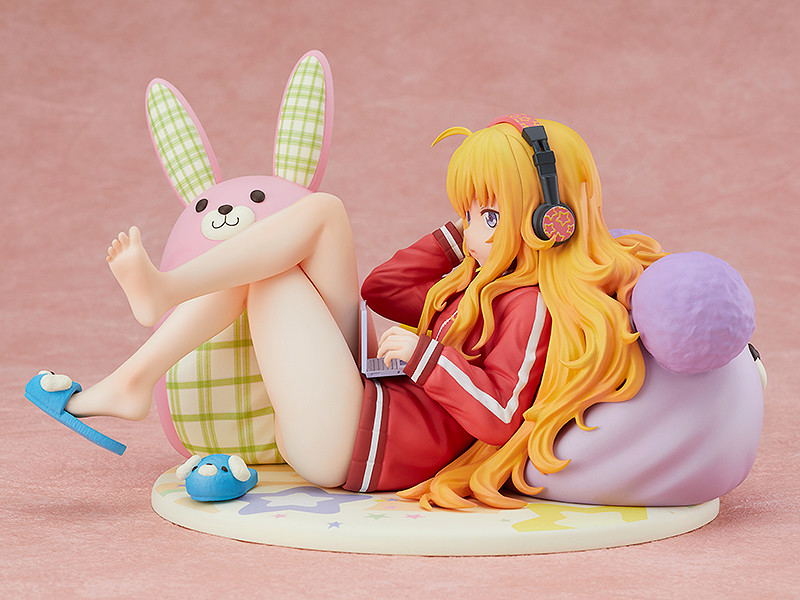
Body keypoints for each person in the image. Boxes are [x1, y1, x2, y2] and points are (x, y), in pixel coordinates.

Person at [32, 117, 666, 509]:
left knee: (277, 273)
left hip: (357, 443)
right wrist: (465, 238)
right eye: (470, 211)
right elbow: (384, 290)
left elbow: (502, 419)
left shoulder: (532, 306)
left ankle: (159, 308)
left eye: (492, 214)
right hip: (353, 404)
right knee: (323, 214)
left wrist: (426, 357)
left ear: (551, 221)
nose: (474, 228)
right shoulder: (478, 281)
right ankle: (137, 368)